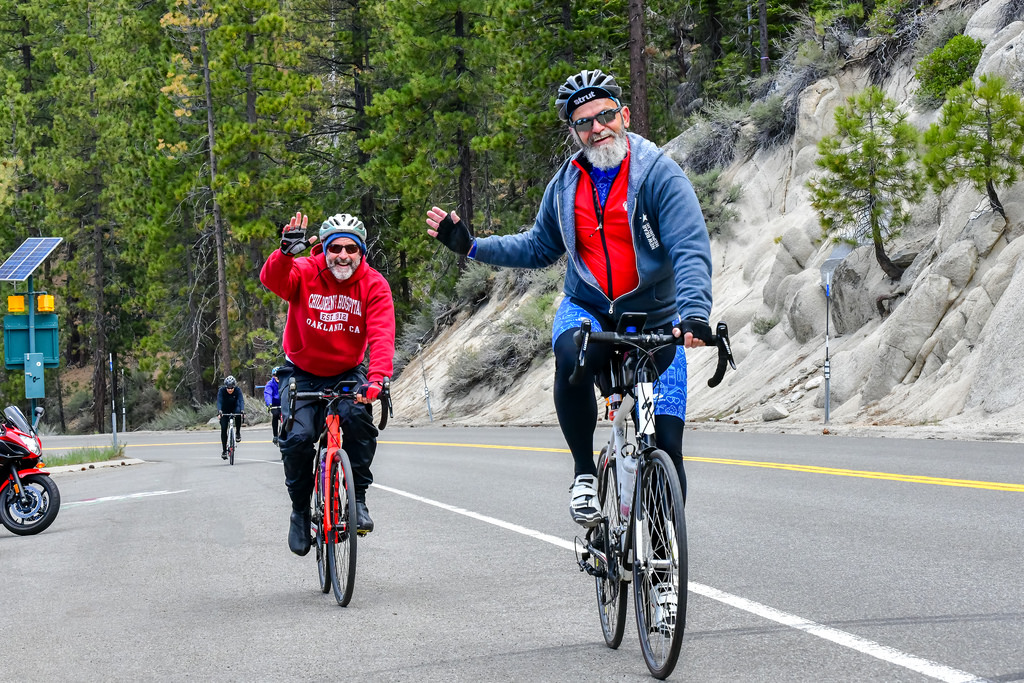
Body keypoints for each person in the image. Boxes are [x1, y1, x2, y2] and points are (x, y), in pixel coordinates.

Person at [426, 69, 713, 527]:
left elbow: (690, 244)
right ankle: (583, 472)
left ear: (625, 114)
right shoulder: (565, 185)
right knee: (571, 352)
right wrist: (473, 245)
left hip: (658, 312)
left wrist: (695, 313)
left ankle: (662, 567)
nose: (597, 128)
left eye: (604, 116)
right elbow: (539, 246)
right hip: (590, 307)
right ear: (575, 132)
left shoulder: (658, 172)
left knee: (669, 449)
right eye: (585, 123)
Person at [260, 210, 396, 556]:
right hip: (302, 370)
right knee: (299, 438)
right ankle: (300, 510)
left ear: (361, 252)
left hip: (347, 371)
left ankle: (359, 500)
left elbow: (381, 335)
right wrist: (285, 254)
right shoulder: (305, 271)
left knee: (358, 422)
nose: (343, 256)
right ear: (324, 248)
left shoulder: (374, 285)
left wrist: (377, 379)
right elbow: (273, 280)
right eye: (336, 248)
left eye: (351, 249)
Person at [216, 375, 244, 459]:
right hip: (224, 410)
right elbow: (219, 401)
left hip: (235, 408)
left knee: (238, 414)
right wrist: (219, 411)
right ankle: (224, 451)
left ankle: (238, 433)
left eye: (232, 388)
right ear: (226, 387)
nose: (230, 390)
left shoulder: (238, 390)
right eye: (228, 388)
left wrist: (242, 410)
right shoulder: (221, 391)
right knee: (224, 428)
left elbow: (241, 400)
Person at [264, 366, 282, 446]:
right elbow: (268, 394)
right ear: (273, 376)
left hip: (284, 403)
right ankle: (275, 435)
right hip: (274, 404)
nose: (277, 377)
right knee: (275, 415)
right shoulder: (270, 384)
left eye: (279, 375)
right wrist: (269, 404)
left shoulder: (286, 382)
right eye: (275, 375)